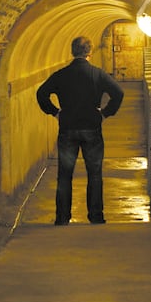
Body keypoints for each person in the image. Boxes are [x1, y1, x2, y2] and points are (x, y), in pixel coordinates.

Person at [36, 36, 124, 225]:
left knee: (65, 175)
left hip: (68, 128)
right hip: (92, 128)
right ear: (89, 52)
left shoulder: (61, 75)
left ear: (72, 51)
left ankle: (62, 217)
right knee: (94, 173)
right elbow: (118, 93)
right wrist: (106, 113)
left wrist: (55, 112)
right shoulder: (97, 74)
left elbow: (41, 93)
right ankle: (96, 216)